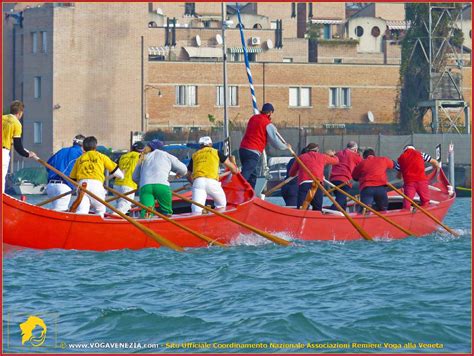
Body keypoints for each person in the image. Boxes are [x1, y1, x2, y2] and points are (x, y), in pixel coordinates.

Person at [69, 136, 124, 217]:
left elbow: (72, 179)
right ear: (95, 146)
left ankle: (80, 226)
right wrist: (122, 176)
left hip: (81, 186)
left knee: (82, 211)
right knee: (100, 210)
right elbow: (117, 173)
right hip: (96, 186)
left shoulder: (79, 159)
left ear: (83, 147)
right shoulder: (101, 156)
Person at [132, 139, 188, 217]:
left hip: (145, 187)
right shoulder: (166, 155)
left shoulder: (143, 157)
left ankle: (146, 220)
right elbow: (184, 169)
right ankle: (166, 220)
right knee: (167, 212)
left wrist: (142, 184)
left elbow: (134, 177)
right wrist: (176, 176)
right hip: (162, 186)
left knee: (147, 214)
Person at [239, 103, 287, 189]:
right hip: (253, 151)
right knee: (246, 173)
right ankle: (237, 189)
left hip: (243, 149)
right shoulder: (267, 123)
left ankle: (250, 193)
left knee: (252, 175)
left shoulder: (253, 118)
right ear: (270, 112)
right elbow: (275, 141)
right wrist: (285, 146)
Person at [187, 136, 239, 214]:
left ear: (200, 145)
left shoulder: (194, 155)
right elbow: (233, 169)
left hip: (198, 182)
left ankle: (199, 221)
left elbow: (188, 175)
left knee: (196, 210)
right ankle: (215, 218)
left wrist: (193, 183)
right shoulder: (216, 152)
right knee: (221, 205)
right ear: (211, 144)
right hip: (212, 182)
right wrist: (235, 169)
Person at [289, 143, 339, 211]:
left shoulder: (301, 157)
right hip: (317, 185)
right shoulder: (322, 156)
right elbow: (336, 161)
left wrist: (299, 171)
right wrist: (333, 155)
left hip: (304, 184)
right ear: (317, 150)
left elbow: (291, 173)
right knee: (317, 208)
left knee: (301, 208)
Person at [2, 100, 37, 193]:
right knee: (1, 179)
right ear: (20, 113)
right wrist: (28, 154)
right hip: (3, 152)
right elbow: (18, 146)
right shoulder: (16, 124)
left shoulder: (2, 118)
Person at [45, 134, 85, 211]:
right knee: (60, 211)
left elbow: (47, 166)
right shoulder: (80, 154)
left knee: (56, 210)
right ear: (83, 146)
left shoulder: (62, 150)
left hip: (50, 187)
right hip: (64, 187)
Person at [395, 145, 440, 210]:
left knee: (407, 203)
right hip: (422, 181)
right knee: (425, 200)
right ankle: (424, 211)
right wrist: (436, 167)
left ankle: (406, 213)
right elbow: (435, 162)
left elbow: (399, 176)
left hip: (409, 183)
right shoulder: (421, 154)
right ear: (414, 149)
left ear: (404, 150)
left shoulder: (400, 158)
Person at [329, 141, 362, 210]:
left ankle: (341, 217)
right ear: (355, 149)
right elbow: (363, 165)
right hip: (344, 181)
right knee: (340, 201)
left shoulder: (338, 153)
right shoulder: (355, 155)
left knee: (342, 201)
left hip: (333, 180)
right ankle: (330, 212)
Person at [113, 141, 145, 214]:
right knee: (124, 206)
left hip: (116, 185)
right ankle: (114, 218)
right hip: (128, 185)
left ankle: (122, 219)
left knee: (121, 206)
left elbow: (115, 170)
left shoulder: (122, 157)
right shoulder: (141, 157)